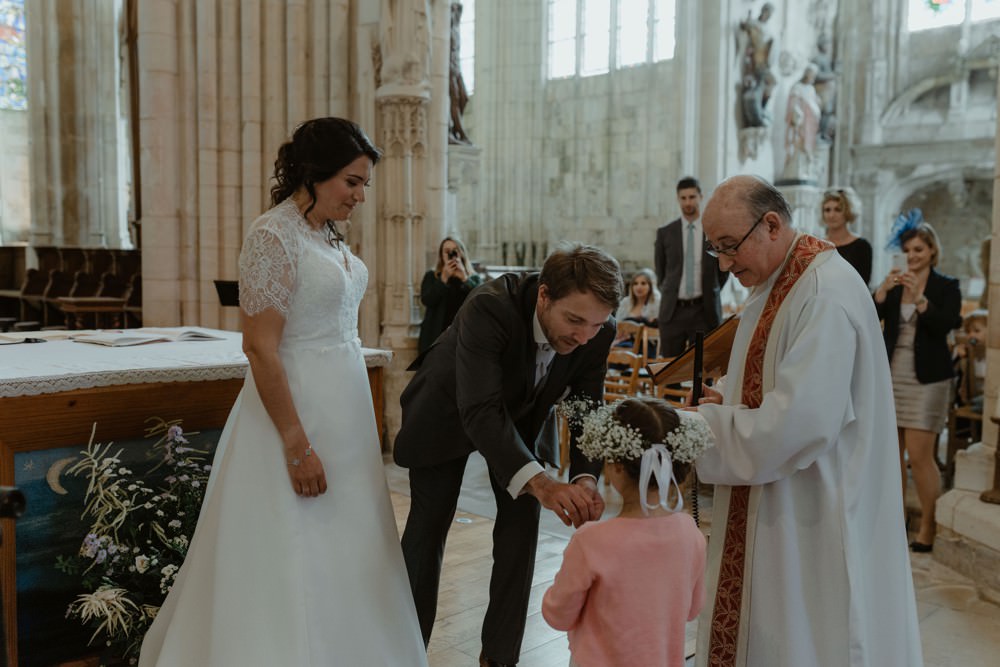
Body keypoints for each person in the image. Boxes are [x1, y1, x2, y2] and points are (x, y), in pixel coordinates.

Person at [139, 118, 428, 666]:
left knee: (349, 546)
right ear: (314, 174)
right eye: (351, 182)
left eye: (364, 184)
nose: (360, 196)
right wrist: (296, 443)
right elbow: (261, 348)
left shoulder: (325, 233)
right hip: (294, 413)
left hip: (344, 413)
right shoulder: (272, 235)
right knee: (292, 547)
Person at [687, 175, 922, 666]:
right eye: (716, 252)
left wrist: (700, 428)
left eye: (730, 247)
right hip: (784, 496)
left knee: (807, 636)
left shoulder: (822, 293)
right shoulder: (781, 280)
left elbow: (797, 424)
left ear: (770, 224)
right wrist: (726, 398)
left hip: (811, 506)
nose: (726, 266)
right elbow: (775, 383)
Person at [394, 243, 623, 667]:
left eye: (596, 325)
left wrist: (584, 478)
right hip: (447, 411)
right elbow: (480, 410)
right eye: (574, 320)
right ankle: (404, 652)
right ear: (544, 295)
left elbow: (587, 407)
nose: (584, 336)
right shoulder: (489, 306)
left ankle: (500, 659)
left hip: (522, 416)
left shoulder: (595, 330)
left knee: (521, 528)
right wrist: (542, 482)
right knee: (429, 528)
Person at [542, 397, 707, 667]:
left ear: (616, 466)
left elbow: (557, 614)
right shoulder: (690, 533)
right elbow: (692, 609)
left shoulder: (591, 541)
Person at [874, 210, 962, 553]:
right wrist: (881, 291)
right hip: (892, 374)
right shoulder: (896, 287)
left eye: (919, 251)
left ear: (932, 252)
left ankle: (928, 524)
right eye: (908, 250)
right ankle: (895, 522)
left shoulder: (946, 286)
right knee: (891, 454)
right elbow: (872, 317)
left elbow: (946, 324)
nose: (912, 256)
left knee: (921, 455)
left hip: (928, 379)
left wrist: (922, 301)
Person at [654, 177, 728, 357]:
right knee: (670, 371)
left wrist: (712, 290)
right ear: (678, 199)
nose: (688, 202)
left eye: (692, 197)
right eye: (684, 198)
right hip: (673, 311)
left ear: (701, 197)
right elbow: (661, 271)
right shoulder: (665, 233)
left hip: (704, 311)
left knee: (704, 370)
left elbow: (723, 269)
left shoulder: (714, 230)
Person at [417, 236, 482, 353]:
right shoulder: (432, 276)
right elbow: (427, 300)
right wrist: (443, 279)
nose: (451, 254)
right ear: (441, 255)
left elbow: (480, 302)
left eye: (454, 251)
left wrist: (465, 279)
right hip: (436, 335)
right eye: (447, 251)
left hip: (464, 336)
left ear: (461, 253)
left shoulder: (474, 277)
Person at [821, 186, 872, 284]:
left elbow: (863, 284)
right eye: (827, 210)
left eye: (838, 209)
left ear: (848, 212)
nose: (831, 215)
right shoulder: (818, 246)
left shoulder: (862, 246)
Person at [738, 2, 776, 127]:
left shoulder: (767, 28)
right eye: (768, 13)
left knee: (771, 83)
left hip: (763, 61)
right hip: (756, 60)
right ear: (764, 12)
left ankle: (762, 108)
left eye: (770, 15)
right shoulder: (755, 24)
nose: (768, 16)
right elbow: (745, 26)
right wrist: (748, 21)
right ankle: (759, 110)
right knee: (765, 82)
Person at [782, 64, 821, 180]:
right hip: (801, 123)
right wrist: (798, 113)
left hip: (810, 123)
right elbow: (793, 105)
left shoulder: (811, 89)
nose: (812, 79)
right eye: (811, 76)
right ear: (806, 74)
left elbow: (814, 102)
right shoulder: (797, 88)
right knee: (799, 143)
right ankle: (795, 169)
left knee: (808, 145)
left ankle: (806, 170)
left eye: (814, 76)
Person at [953, 309, 987, 413]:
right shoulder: (967, 352)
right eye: (968, 332)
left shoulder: (993, 355)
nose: (971, 335)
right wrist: (960, 357)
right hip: (971, 397)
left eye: (976, 331)